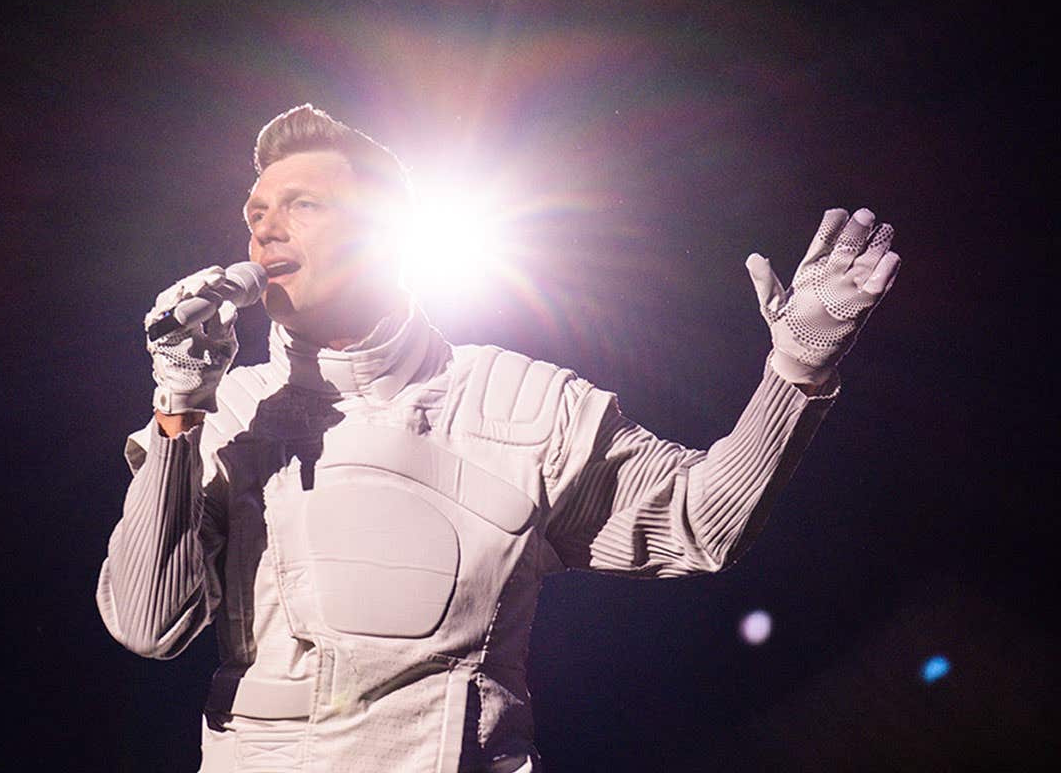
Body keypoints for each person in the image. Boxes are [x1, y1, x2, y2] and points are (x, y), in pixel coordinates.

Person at [96, 104, 900, 773]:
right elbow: (147, 624)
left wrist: (796, 367)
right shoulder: (228, 411)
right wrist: (177, 406)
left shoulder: (524, 401)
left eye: (303, 205)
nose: (266, 232)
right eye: (256, 215)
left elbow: (704, 523)